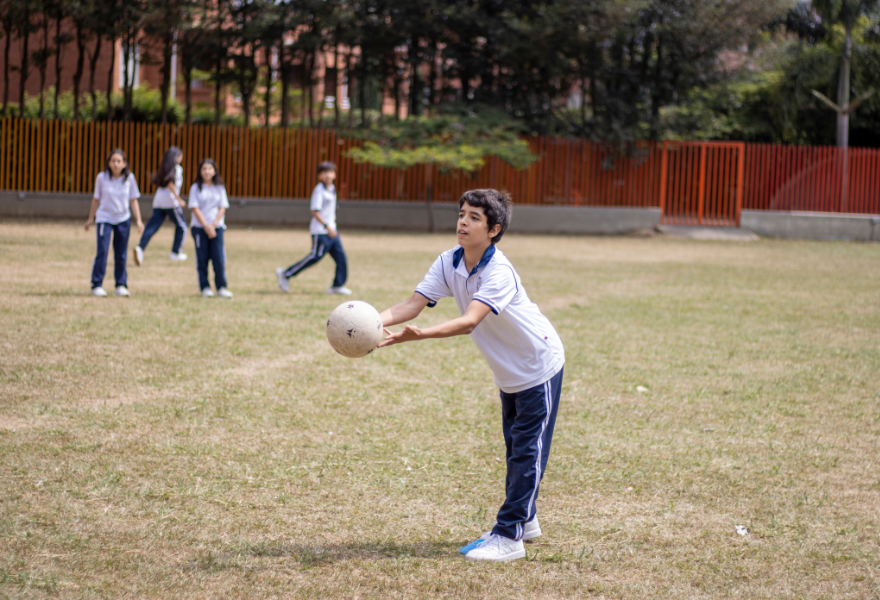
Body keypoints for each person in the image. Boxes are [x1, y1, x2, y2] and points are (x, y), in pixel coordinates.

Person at [377, 189, 565, 562]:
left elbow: (469, 321)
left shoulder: (499, 271)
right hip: (509, 372)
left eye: (474, 217)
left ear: (493, 229)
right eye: (461, 214)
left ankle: (509, 536)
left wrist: (422, 336)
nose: (463, 222)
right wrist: (368, 321)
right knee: (516, 448)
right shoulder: (450, 262)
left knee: (527, 450)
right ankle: (525, 519)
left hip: (537, 365)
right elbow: (411, 305)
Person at [275, 161, 351, 295]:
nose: (328, 175)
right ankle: (286, 273)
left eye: (331, 172)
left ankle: (337, 285)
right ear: (320, 176)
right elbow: (315, 211)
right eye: (325, 173)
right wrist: (327, 227)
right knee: (314, 257)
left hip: (332, 230)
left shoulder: (332, 188)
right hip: (321, 232)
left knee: (341, 259)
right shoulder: (319, 190)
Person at [85, 149, 144, 297]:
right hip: (104, 218)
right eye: (113, 161)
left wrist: (138, 220)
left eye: (119, 161)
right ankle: (97, 284)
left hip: (123, 219)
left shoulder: (129, 178)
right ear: (108, 163)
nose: (116, 164)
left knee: (121, 254)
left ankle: (121, 285)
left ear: (124, 163)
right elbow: (96, 199)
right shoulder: (102, 178)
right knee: (103, 251)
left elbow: (133, 200)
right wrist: (90, 218)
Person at [134, 146, 187, 265]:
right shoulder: (177, 169)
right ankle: (175, 252)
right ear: (177, 157)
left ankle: (140, 248)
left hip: (158, 200)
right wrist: (179, 200)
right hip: (170, 201)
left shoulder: (164, 168)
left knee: (153, 226)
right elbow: (170, 183)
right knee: (182, 226)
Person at [188, 158, 232, 299]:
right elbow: (195, 208)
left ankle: (221, 287)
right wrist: (206, 225)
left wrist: (213, 224)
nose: (207, 171)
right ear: (200, 171)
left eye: (209, 169)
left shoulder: (219, 187)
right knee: (202, 258)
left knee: (218, 258)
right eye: (204, 169)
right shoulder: (195, 188)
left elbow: (222, 207)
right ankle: (205, 287)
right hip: (199, 228)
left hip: (217, 227)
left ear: (214, 171)